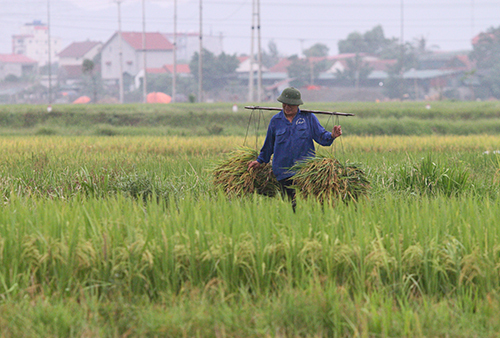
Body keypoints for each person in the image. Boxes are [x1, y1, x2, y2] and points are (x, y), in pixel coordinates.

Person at [247, 87, 342, 211]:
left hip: (305, 170)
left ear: (297, 104)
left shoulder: (308, 118)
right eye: (285, 104)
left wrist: (332, 136)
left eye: (291, 104)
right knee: (291, 205)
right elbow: (269, 144)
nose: (287, 107)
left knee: (305, 203)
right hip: (282, 171)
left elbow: (321, 136)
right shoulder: (276, 121)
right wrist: (259, 161)